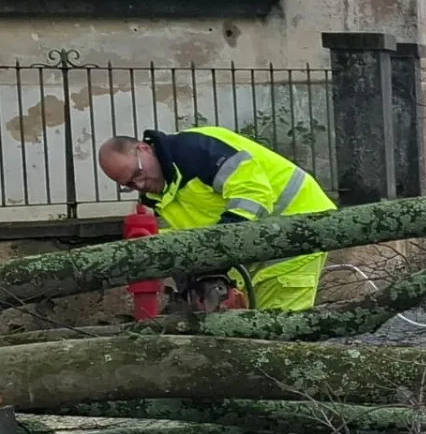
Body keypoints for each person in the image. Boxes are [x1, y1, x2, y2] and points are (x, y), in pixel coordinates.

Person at [97, 127, 337, 312]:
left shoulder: (196, 150)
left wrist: (219, 249)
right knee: (257, 328)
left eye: (137, 173)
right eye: (129, 184)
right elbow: (194, 232)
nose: (139, 184)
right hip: (259, 242)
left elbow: (253, 194)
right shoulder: (160, 193)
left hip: (299, 226)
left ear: (144, 148)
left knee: (280, 327)